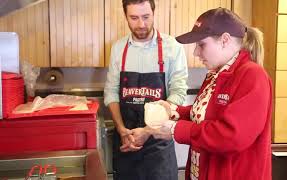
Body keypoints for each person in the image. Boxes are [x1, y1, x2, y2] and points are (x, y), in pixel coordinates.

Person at [151, 7, 273, 180]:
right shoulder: (215, 74)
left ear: (224, 40)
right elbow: (205, 115)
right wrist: (173, 111)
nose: (195, 53)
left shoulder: (253, 76)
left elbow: (231, 136)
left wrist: (175, 129)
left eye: (201, 45)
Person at [104, 0, 188, 179]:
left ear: (154, 13)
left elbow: (178, 92)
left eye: (146, 17)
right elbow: (111, 91)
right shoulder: (118, 49)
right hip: (127, 142)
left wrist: (149, 130)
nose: (141, 24)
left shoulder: (172, 47)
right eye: (134, 18)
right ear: (125, 16)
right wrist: (121, 129)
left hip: (159, 144)